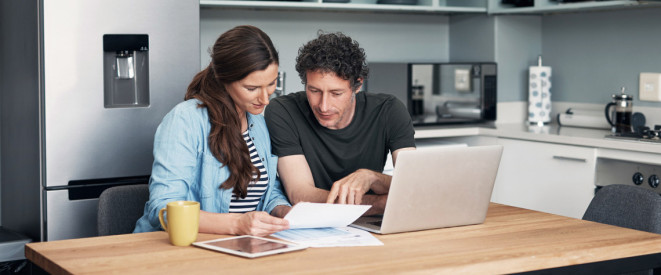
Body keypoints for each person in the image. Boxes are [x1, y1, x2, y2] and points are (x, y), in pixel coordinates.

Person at [134, 25, 291, 237]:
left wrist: (283, 210)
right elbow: (164, 208)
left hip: (239, 248)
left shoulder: (257, 123)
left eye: (271, 84)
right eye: (251, 88)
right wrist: (237, 224)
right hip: (182, 249)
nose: (265, 98)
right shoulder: (185, 120)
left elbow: (265, 191)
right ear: (224, 80)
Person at [264, 31, 415, 215]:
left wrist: (373, 178)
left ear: (357, 85)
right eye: (314, 90)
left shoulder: (389, 110)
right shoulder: (283, 111)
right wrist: (379, 204)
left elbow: (411, 185)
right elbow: (300, 193)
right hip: (312, 222)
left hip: (369, 225)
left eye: (336, 93)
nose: (323, 106)